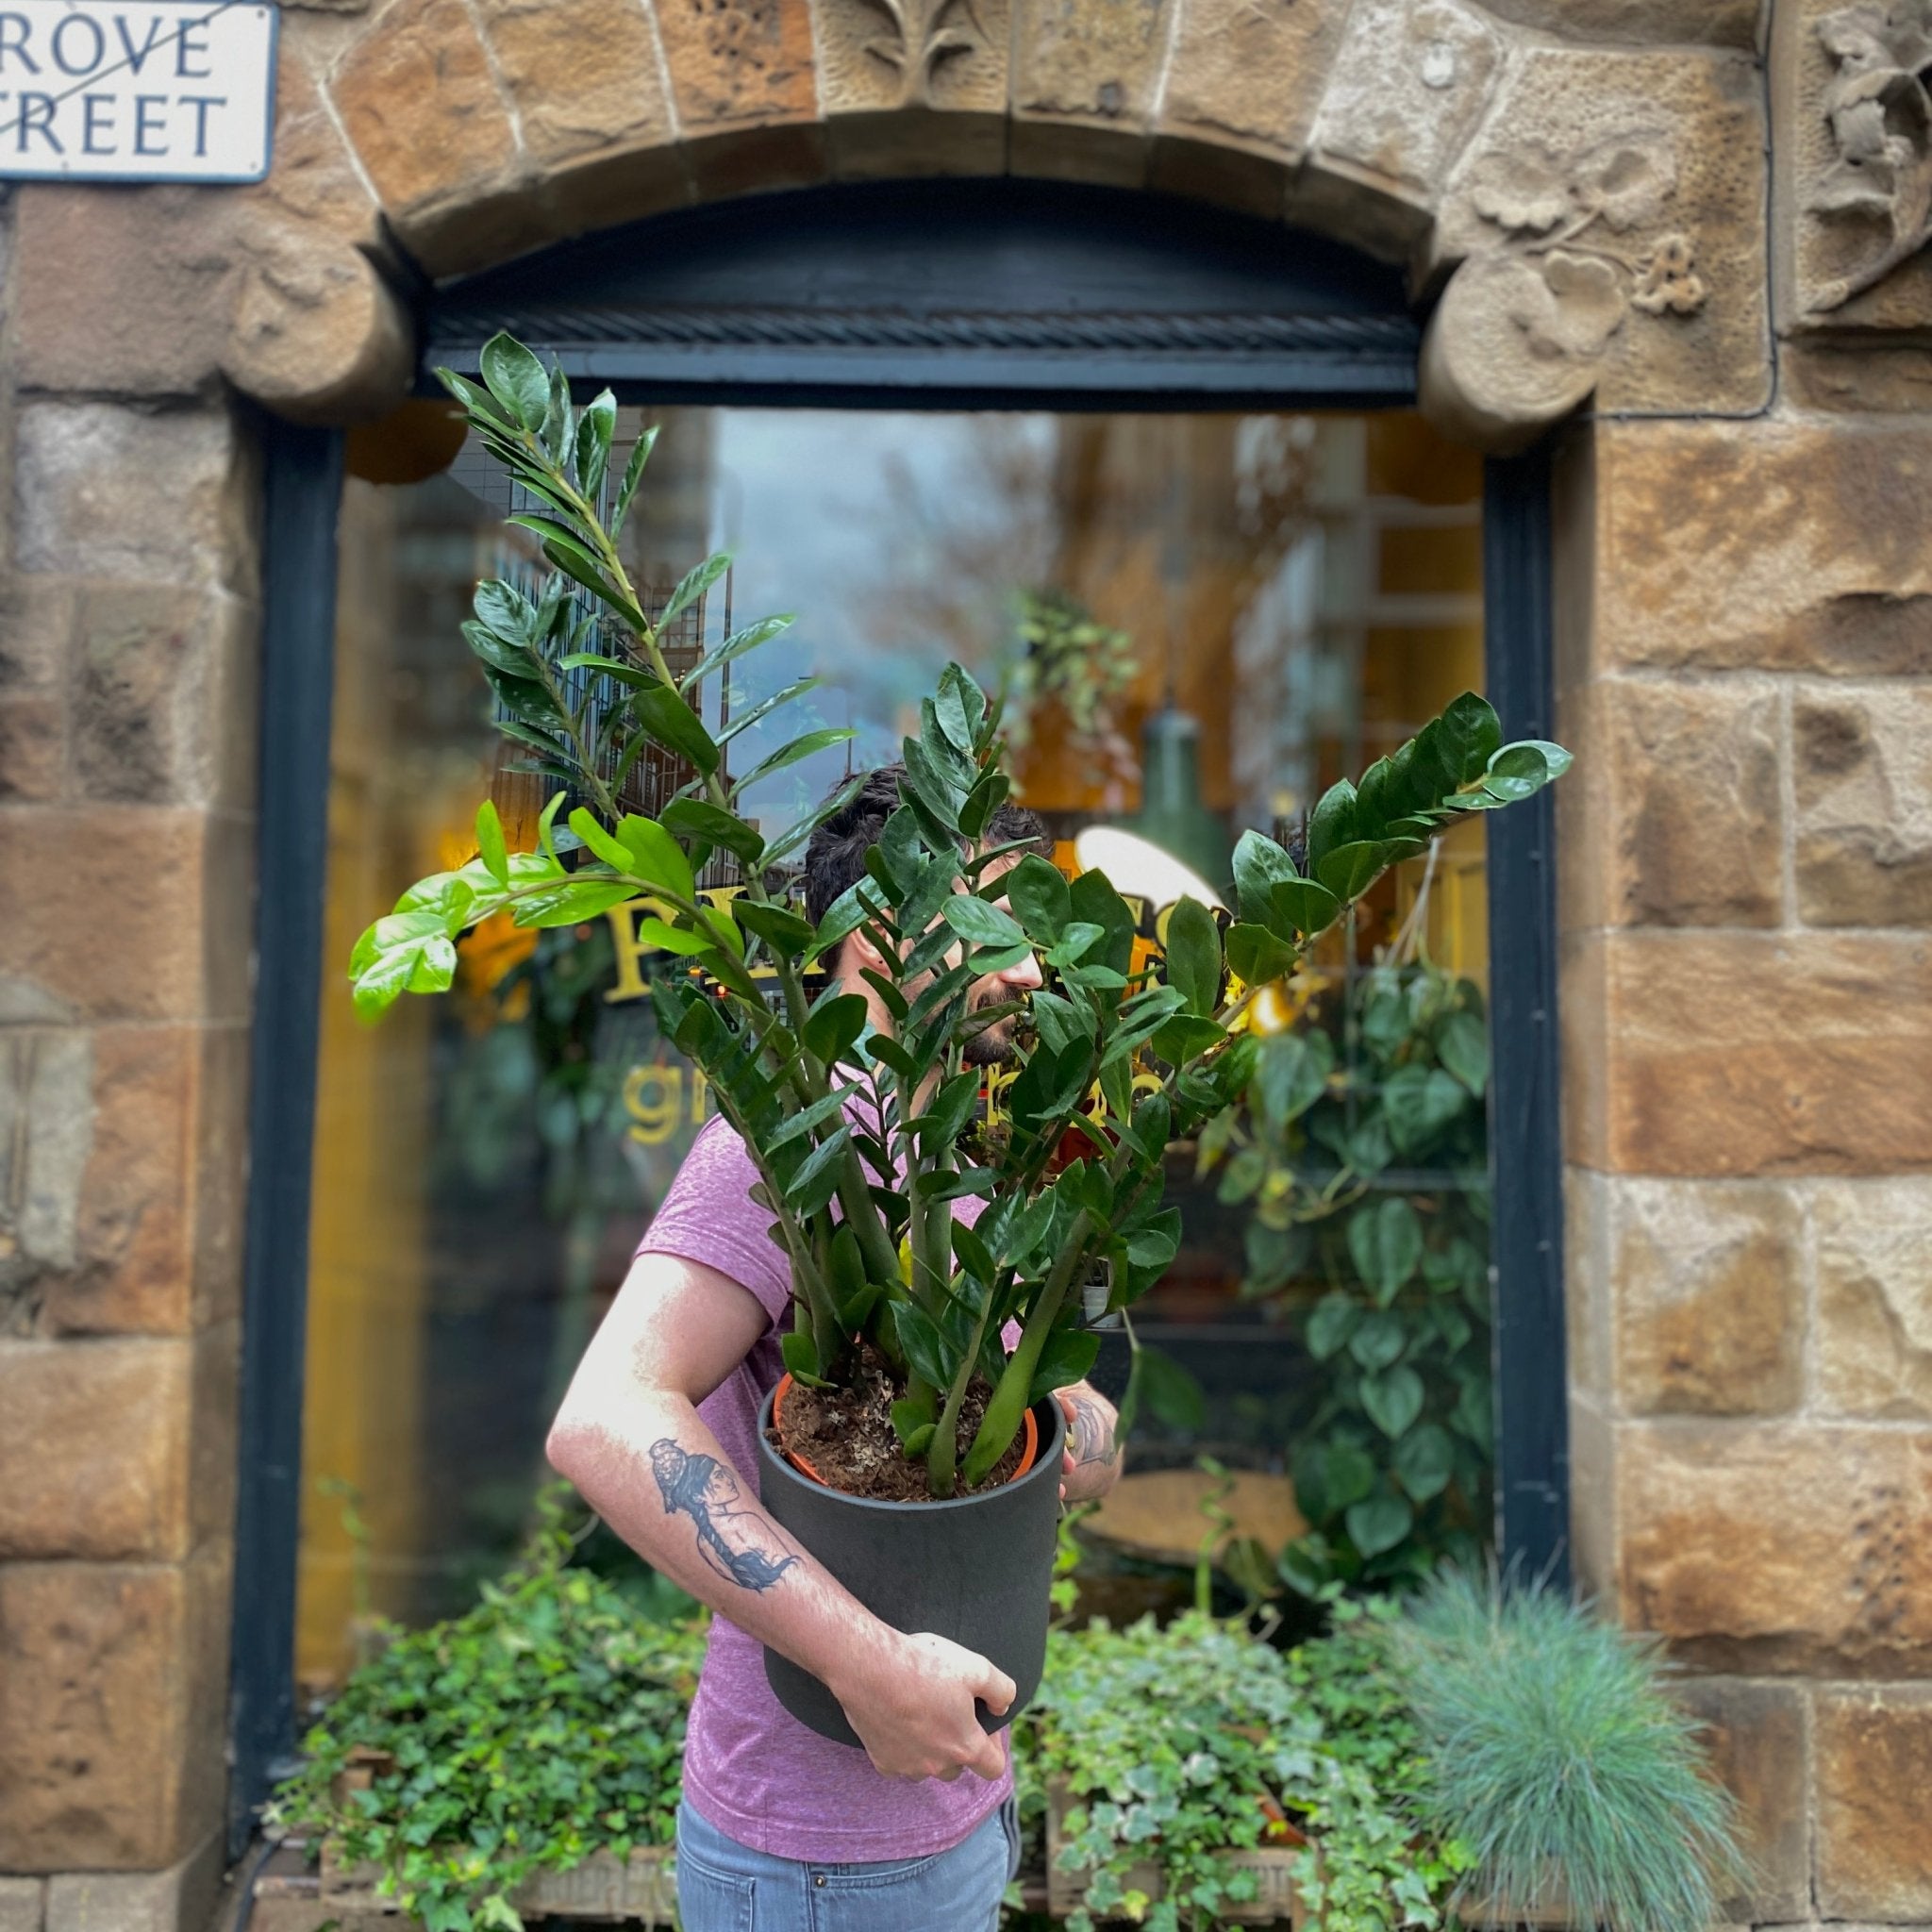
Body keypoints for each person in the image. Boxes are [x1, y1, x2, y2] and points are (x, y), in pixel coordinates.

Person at [546, 766, 1125, 1931]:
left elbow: (1042, 1431)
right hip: (815, 1859)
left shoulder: (958, 1147)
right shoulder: (776, 1144)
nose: (1029, 968)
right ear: (878, 930)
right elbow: (604, 1417)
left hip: (957, 1810)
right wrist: (869, 1667)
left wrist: (1072, 1418)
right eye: (993, 926)